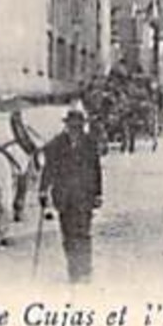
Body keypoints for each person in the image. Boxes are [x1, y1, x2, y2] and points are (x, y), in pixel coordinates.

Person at [39, 108, 103, 283]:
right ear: (67, 126)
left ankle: (85, 269)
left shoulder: (90, 144)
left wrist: (98, 193)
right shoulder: (56, 145)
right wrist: (43, 190)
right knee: (68, 235)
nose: (75, 130)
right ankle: (74, 270)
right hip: (64, 197)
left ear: (83, 127)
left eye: (79, 127)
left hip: (85, 196)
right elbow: (48, 169)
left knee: (83, 233)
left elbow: (96, 169)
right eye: (72, 126)